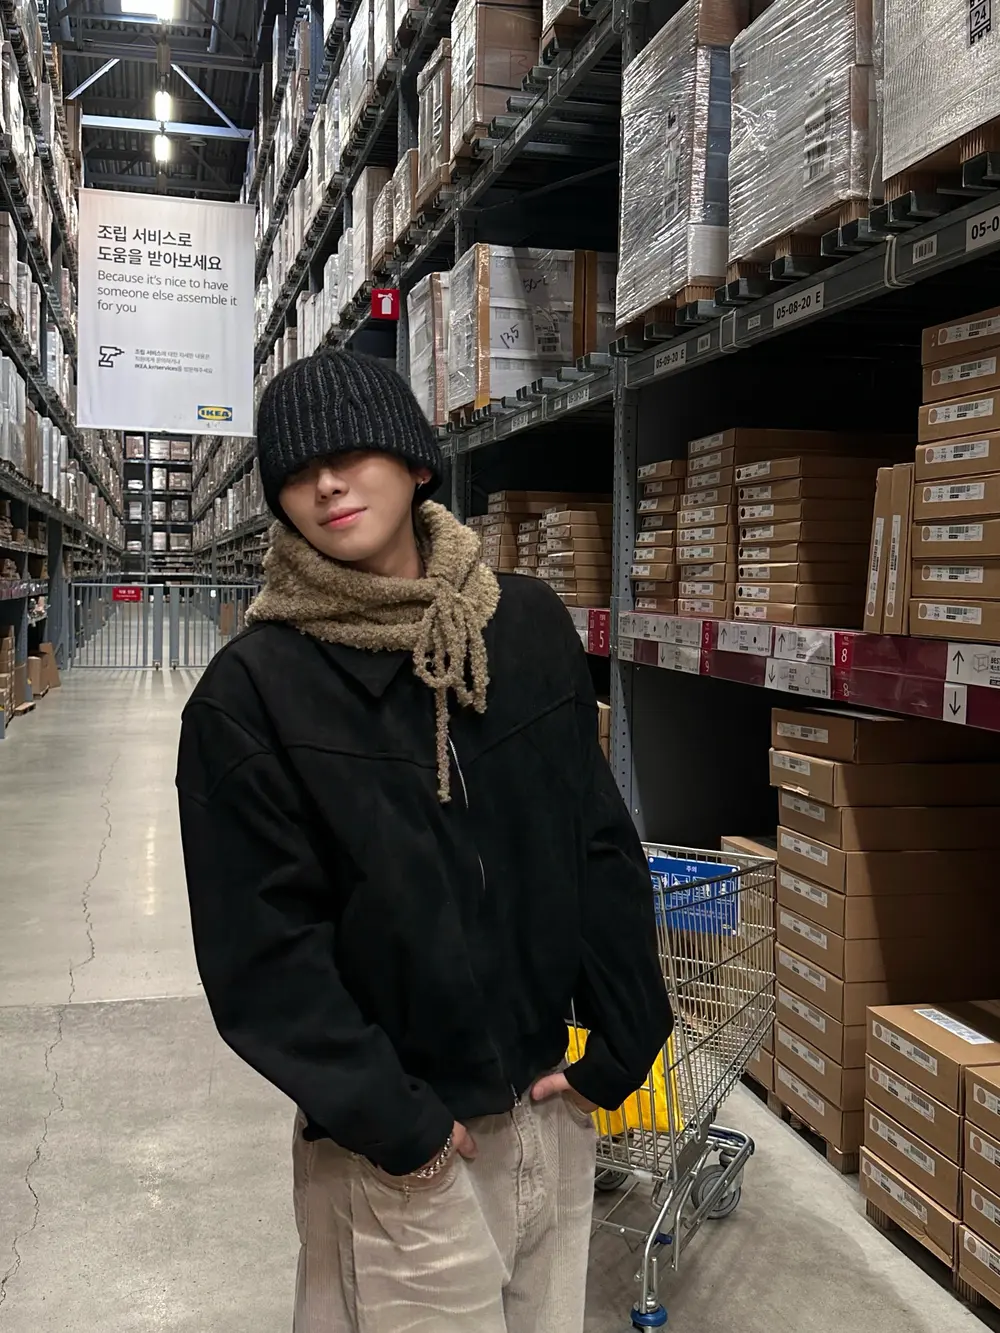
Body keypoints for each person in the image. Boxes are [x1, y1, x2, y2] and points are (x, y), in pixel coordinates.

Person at [175, 349, 673, 1333]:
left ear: (413, 461)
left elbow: (595, 838)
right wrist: (400, 1126)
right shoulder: (253, 694)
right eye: (295, 470)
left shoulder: (522, 625)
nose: (325, 483)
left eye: (351, 452)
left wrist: (625, 1035)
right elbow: (262, 957)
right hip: (397, 1159)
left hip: (548, 1114)